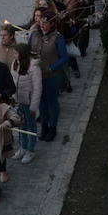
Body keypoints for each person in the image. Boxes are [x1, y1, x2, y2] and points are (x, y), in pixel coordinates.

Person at [28, 12, 68, 142]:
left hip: (51, 76)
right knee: (41, 102)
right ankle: (44, 127)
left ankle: (53, 128)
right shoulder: (34, 34)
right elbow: (28, 51)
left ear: (52, 24)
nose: (42, 25)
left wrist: (52, 67)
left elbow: (64, 57)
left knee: (51, 102)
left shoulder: (57, 37)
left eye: (46, 23)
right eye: (41, 22)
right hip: (36, 76)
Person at [11, 43, 42, 163]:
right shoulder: (15, 63)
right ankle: (22, 147)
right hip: (18, 101)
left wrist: (34, 107)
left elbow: (37, 88)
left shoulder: (34, 67)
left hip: (29, 102)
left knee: (30, 125)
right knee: (20, 125)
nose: (14, 55)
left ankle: (30, 150)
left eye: (16, 53)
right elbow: (12, 80)